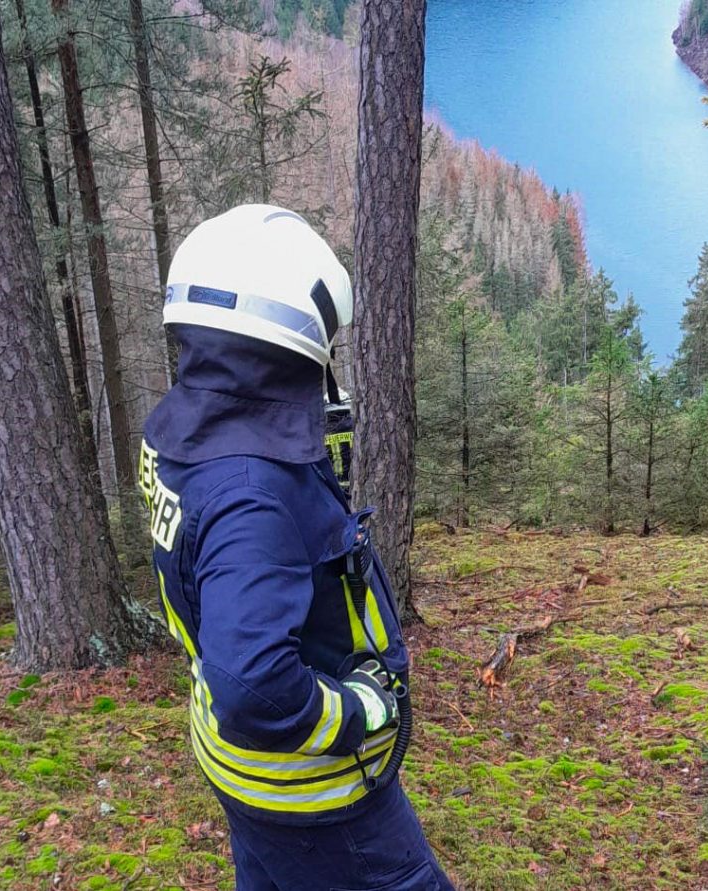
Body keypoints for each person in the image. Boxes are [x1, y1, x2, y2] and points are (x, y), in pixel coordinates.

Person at [140, 205, 455, 891]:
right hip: (313, 793)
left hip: (241, 770)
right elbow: (252, 685)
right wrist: (361, 709)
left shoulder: (186, 435)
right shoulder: (254, 494)